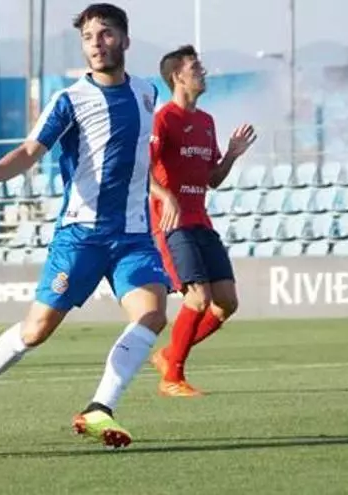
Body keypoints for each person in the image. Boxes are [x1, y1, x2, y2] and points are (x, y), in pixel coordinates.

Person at [0, 3, 169, 450]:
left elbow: (138, 159)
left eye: (105, 34)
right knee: (36, 330)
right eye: (88, 37)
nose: (96, 44)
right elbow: (30, 152)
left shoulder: (147, 92)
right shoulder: (70, 100)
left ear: (125, 40)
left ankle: (100, 407)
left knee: (152, 314)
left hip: (133, 234)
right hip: (81, 235)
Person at [148, 45, 256, 396]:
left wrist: (232, 155)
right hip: (171, 224)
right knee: (197, 298)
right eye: (196, 67)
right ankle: (172, 378)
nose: (203, 72)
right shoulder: (163, 119)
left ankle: (169, 355)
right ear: (177, 76)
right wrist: (165, 196)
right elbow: (139, 170)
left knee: (226, 303)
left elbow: (213, 179)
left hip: (201, 222)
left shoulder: (206, 122)